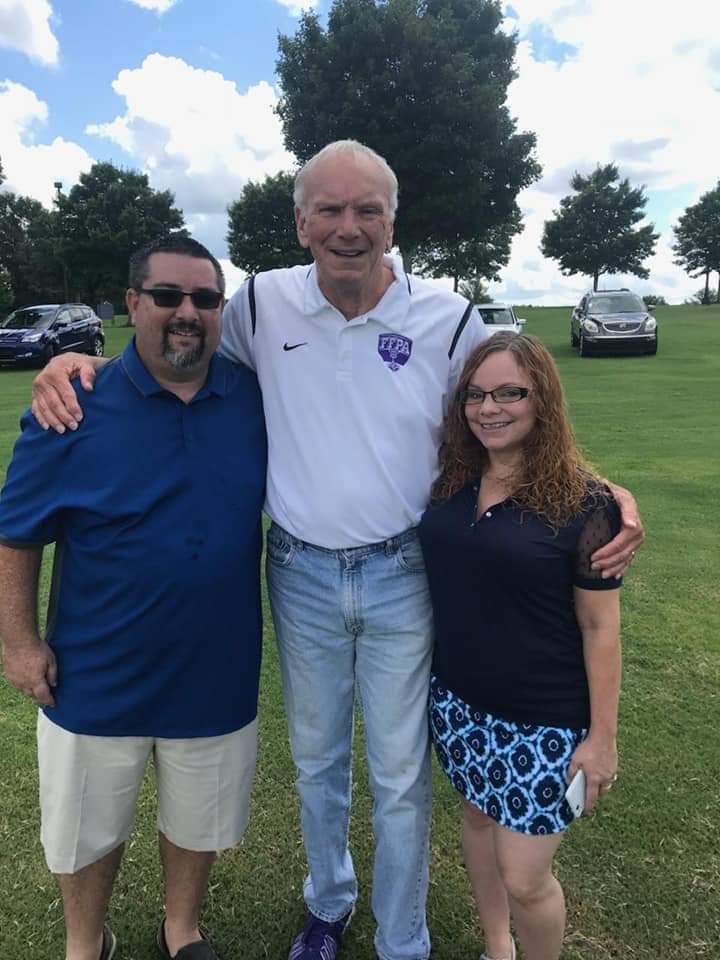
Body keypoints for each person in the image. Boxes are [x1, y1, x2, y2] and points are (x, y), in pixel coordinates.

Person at [30, 141, 643, 960]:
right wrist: (83, 364)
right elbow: (175, 353)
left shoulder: (448, 317)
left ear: (392, 222)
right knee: (317, 765)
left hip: (404, 572)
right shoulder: (257, 307)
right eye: (330, 209)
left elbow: (516, 402)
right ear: (300, 222)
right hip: (301, 571)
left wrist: (601, 490)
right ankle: (328, 903)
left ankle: (402, 937)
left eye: (368, 210)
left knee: (398, 774)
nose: (348, 227)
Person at [0, 235, 267, 960]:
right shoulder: (72, 404)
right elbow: (17, 533)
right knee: (85, 825)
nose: (188, 313)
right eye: (168, 297)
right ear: (132, 304)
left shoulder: (255, 398)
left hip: (216, 665)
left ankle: (182, 930)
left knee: (200, 819)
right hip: (95, 668)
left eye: (205, 299)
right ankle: (86, 943)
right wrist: (19, 643)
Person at [418, 332, 624, 960]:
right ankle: (496, 947)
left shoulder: (586, 504)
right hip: (459, 705)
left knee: (526, 877)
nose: (491, 408)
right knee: (477, 821)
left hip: (544, 722)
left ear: (543, 401)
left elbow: (600, 626)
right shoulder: (452, 480)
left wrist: (602, 740)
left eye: (511, 393)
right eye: (477, 395)